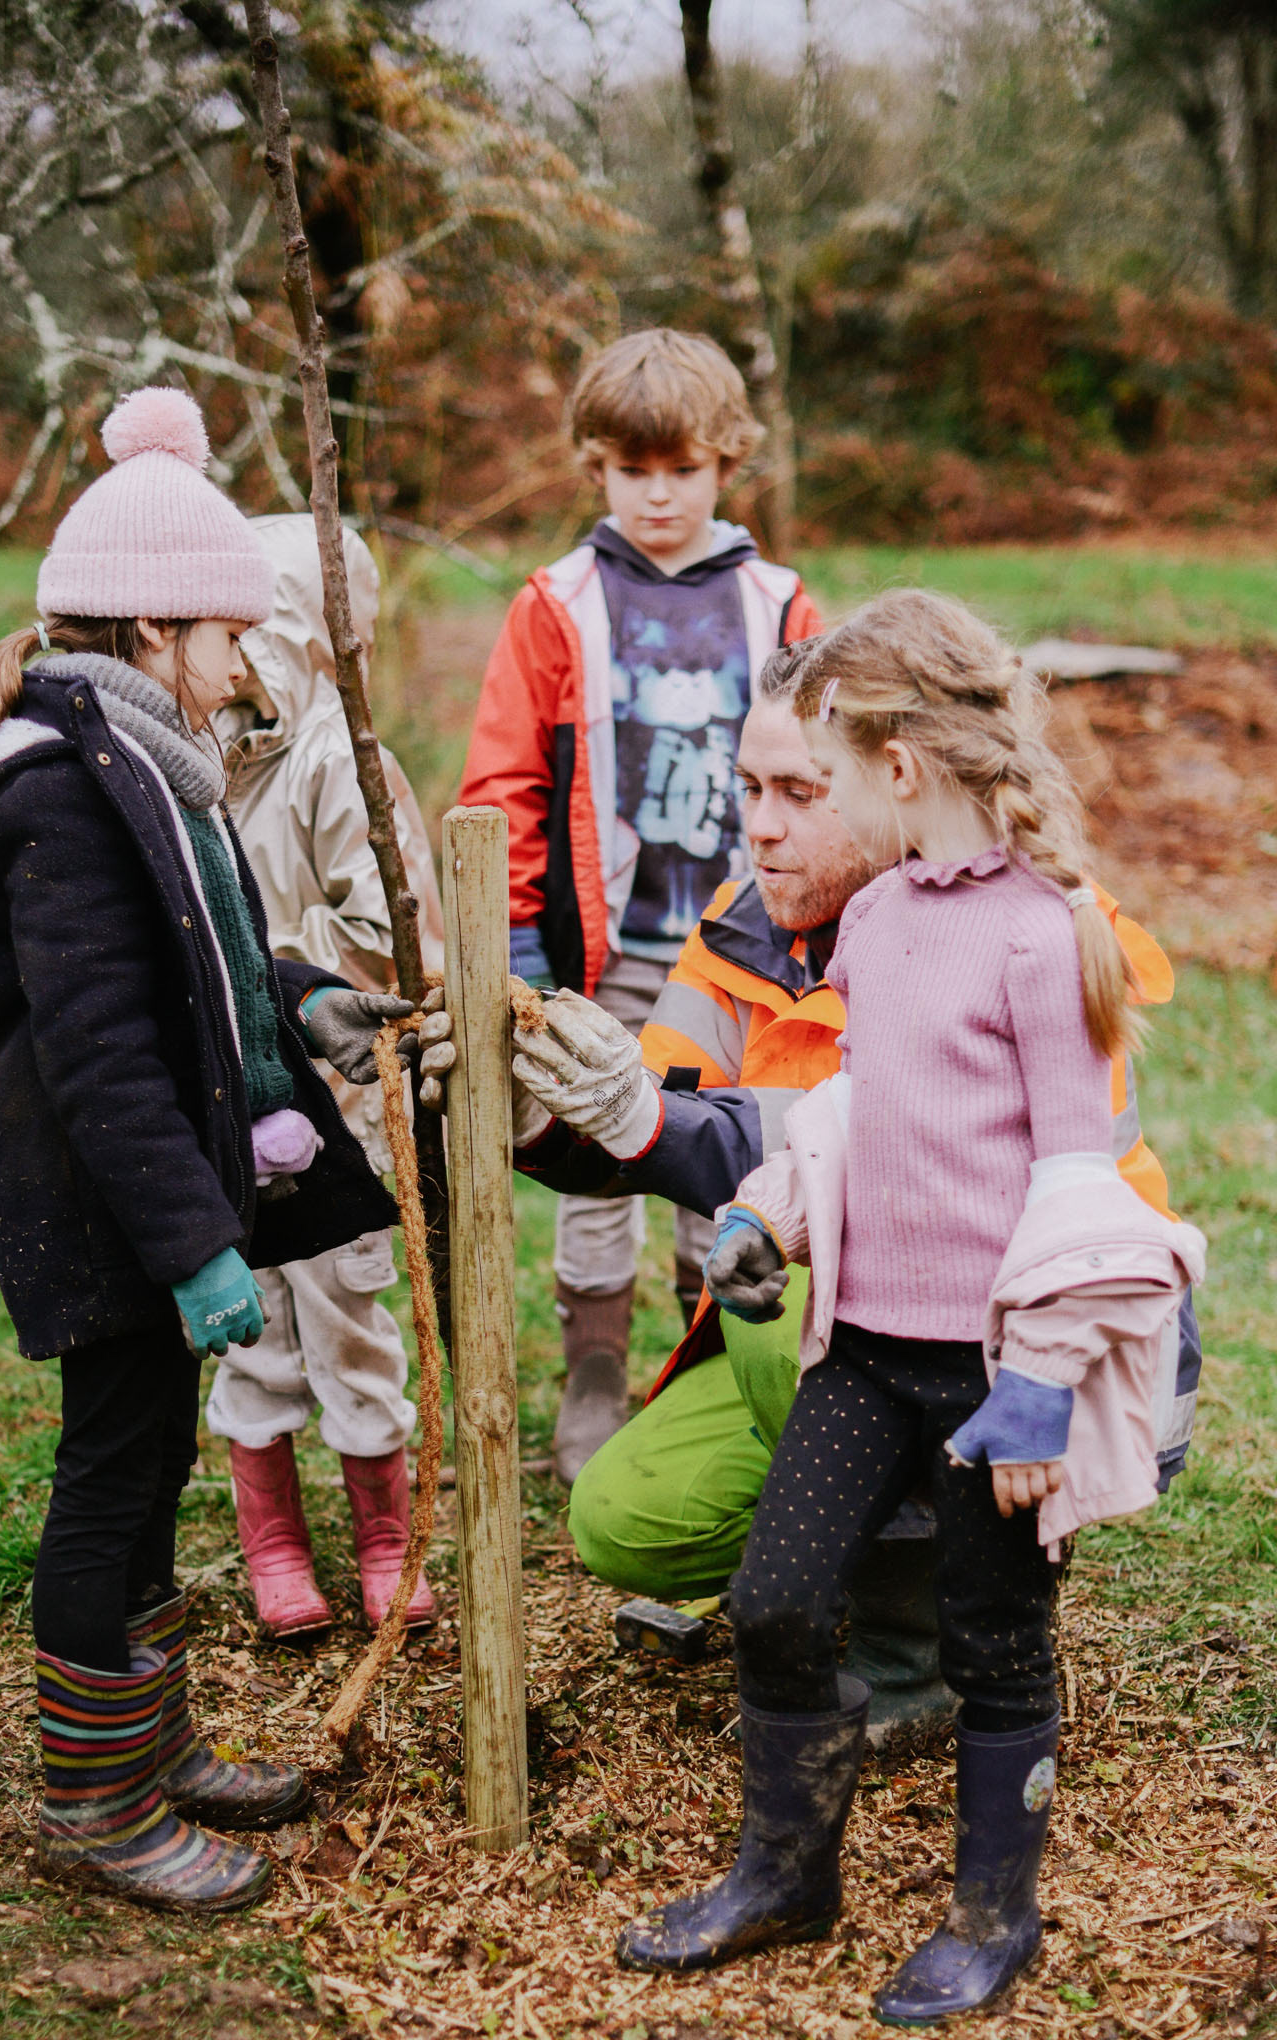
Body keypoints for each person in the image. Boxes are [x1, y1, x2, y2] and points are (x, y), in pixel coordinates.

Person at [604, 589, 1205, 2021]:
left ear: (901, 763)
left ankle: (995, 1915)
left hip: (993, 1376)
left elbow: (1078, 1173)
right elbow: (858, 1107)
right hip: (864, 1350)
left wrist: (1044, 1381)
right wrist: (772, 1209)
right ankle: (786, 1875)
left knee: (997, 1646)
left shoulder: (1046, 937)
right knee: (773, 1598)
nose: (792, 806)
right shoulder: (874, 922)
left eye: (824, 764)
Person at [0, 388, 426, 1915]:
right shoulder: (63, 791)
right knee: (109, 1482)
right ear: (159, 626)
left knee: (150, 1458)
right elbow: (103, 1052)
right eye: (231, 636)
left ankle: (151, 1742)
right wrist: (192, 1249)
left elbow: (212, 967)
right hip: (106, 1200)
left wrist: (310, 1003)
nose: (247, 666)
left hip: (147, 1192)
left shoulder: (145, 768)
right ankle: (92, 1798)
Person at [552, 687, 1189, 1743]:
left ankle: (918, 1644)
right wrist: (541, 1108)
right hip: (884, 1330)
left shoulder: (1038, 925)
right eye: (749, 789)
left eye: (803, 792)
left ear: (895, 780)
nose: (762, 823)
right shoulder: (744, 919)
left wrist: (650, 1125)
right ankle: (828, 1563)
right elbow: (655, 1106)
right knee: (626, 1518)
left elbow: (887, 1147)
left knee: (801, 1276)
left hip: (1058, 1332)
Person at [458, 328, 823, 1481]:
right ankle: (595, 1380)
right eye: (632, 470)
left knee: (719, 1166)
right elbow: (504, 776)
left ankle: (708, 1366)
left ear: (729, 465)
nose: (657, 495)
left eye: (684, 470)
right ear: (596, 468)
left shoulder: (779, 606)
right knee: (600, 1160)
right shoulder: (557, 604)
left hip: (740, 958)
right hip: (602, 949)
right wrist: (517, 940)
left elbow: (834, 770)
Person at [205, 514, 444, 1639]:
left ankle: (385, 1536)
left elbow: (395, 936)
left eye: (254, 634)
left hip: (336, 1103)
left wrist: (269, 973)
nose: (233, 662)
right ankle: (274, 1541)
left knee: (349, 1313)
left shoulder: (339, 765)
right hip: (232, 1107)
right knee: (252, 1317)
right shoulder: (193, 765)